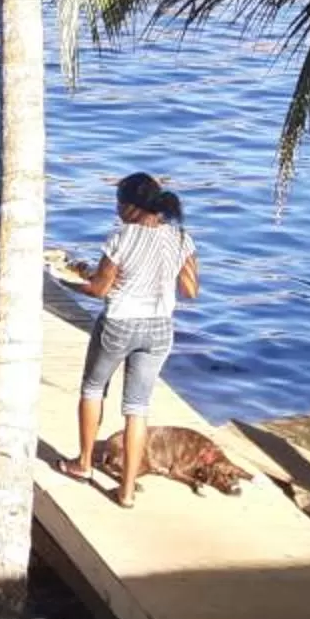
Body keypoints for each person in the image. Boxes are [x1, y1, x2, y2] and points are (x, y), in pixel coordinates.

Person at [57, 172, 199, 508]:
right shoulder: (180, 237)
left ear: (133, 207)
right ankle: (127, 491)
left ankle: (84, 464)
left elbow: (99, 289)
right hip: (160, 328)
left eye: (119, 203)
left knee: (93, 389)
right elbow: (190, 290)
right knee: (138, 409)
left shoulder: (121, 237)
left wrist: (65, 280)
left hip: (120, 323)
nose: (117, 210)